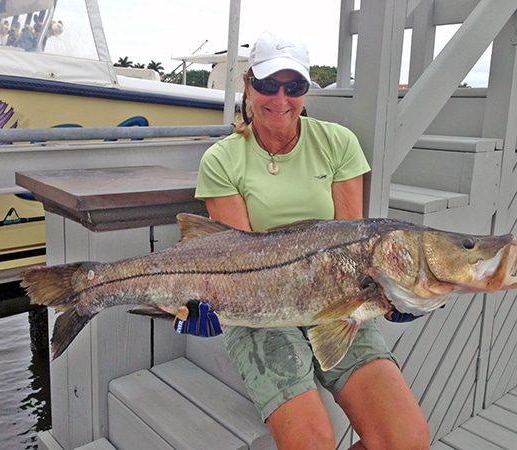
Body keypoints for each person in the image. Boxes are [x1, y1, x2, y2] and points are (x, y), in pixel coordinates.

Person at [178, 31, 430, 450]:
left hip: (338, 302)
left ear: (306, 91)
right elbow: (237, 261)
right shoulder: (221, 159)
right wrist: (208, 306)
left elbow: (352, 243)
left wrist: (393, 292)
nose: (280, 99)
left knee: (407, 439)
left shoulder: (338, 143)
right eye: (267, 85)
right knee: (309, 443)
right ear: (248, 85)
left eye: (293, 86)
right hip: (258, 305)